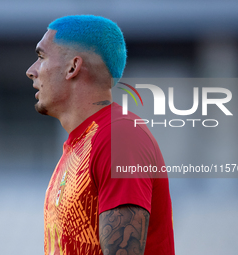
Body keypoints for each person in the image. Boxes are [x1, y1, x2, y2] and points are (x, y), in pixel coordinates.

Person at [26, 15, 174, 255]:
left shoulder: (120, 137)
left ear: (73, 67)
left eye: (41, 57)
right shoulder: (80, 145)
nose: (31, 71)